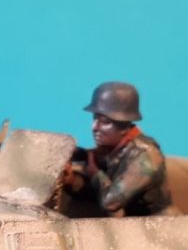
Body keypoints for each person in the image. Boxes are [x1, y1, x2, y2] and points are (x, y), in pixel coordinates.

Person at [71, 82, 172, 217]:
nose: (94, 127)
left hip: (162, 225)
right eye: (95, 119)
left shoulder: (145, 156)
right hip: (135, 222)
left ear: (124, 126)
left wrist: (95, 174)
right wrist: (71, 180)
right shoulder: (115, 149)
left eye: (105, 122)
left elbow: (110, 202)